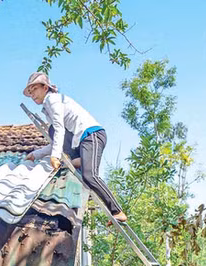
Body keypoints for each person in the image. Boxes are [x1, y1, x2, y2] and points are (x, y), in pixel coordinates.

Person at [22, 71, 128, 222]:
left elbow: (59, 128)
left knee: (90, 176)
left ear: (45, 88)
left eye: (35, 90)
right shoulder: (49, 105)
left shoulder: (53, 99)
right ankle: (78, 159)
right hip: (80, 140)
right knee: (52, 131)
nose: (32, 95)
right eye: (30, 92)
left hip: (92, 135)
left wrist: (55, 156)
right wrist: (36, 154)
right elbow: (56, 139)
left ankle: (117, 211)